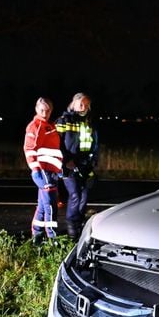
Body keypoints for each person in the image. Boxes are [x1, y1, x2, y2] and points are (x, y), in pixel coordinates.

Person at [55, 92, 99, 240]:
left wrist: (93, 161)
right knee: (75, 195)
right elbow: (56, 143)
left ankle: (79, 223)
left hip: (86, 165)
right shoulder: (64, 120)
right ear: (74, 103)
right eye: (81, 104)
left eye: (87, 104)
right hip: (69, 165)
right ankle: (72, 228)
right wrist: (66, 160)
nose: (84, 107)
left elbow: (95, 143)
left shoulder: (90, 121)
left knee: (85, 196)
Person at [23, 97, 63, 244]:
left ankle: (37, 236)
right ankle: (53, 240)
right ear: (36, 109)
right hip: (43, 171)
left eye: (47, 110)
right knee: (51, 206)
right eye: (42, 110)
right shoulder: (35, 126)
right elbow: (29, 149)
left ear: (51, 110)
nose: (45, 113)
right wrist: (36, 170)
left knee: (42, 206)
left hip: (51, 171)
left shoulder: (49, 125)